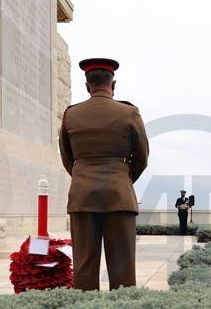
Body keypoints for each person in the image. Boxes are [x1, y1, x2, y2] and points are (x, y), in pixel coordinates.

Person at [59, 57, 150, 291]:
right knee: (123, 266)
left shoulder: (71, 115)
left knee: (84, 264)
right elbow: (141, 157)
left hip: (82, 196)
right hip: (119, 196)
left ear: (87, 85)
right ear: (113, 84)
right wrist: (122, 178)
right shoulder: (129, 112)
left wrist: (82, 177)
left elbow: (67, 158)